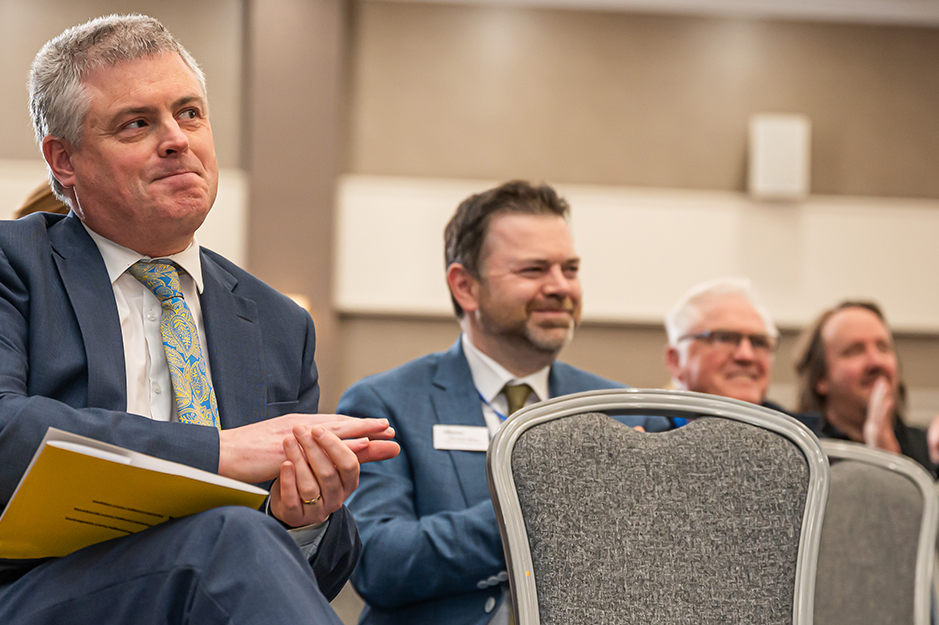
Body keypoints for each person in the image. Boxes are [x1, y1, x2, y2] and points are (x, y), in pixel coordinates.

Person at [0, 14, 398, 625]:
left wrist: (302, 519)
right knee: (228, 538)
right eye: (137, 124)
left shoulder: (278, 322)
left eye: (190, 114)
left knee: (239, 539)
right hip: (0, 597)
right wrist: (221, 452)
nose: (177, 140)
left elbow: (312, 577)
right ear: (63, 160)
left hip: (195, 596)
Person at [338, 180, 674, 625]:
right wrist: (547, 504)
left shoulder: (629, 413)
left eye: (570, 269)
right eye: (534, 270)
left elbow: (668, 567)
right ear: (465, 286)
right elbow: (380, 562)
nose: (560, 287)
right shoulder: (386, 404)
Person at [794, 301, 937, 475]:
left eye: (883, 348)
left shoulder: (929, 450)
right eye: (855, 351)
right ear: (820, 378)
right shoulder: (802, 456)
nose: (876, 361)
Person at [663, 277, 818, 427]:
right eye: (724, 338)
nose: (746, 355)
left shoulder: (804, 440)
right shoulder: (649, 436)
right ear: (675, 360)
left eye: (759, 342)